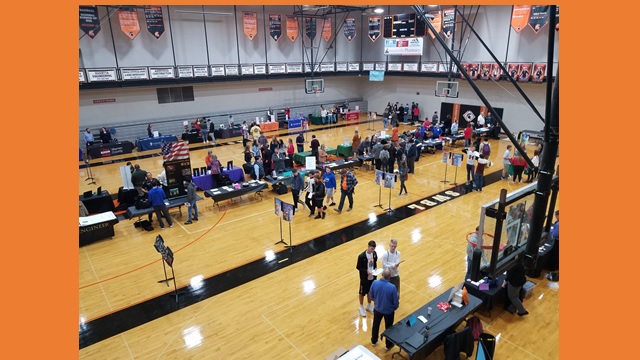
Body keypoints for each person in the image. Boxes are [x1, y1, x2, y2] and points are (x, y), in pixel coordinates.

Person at [369, 267, 399, 350]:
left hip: (377, 309)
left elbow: (371, 295)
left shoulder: (375, 283)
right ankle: (388, 345)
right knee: (389, 328)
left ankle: (374, 341)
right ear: (389, 277)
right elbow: (395, 301)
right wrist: (394, 308)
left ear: (382, 274)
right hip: (388, 311)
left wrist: (376, 302)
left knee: (375, 325)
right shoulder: (392, 287)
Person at [356, 240, 378, 317]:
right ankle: (361, 306)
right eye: (371, 249)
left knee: (370, 291)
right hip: (364, 278)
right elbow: (358, 267)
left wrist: (375, 268)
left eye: (374, 249)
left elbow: (375, 262)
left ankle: (369, 305)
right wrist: (366, 271)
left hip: (372, 277)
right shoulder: (362, 256)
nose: (373, 250)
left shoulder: (374, 254)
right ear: (368, 247)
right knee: (362, 292)